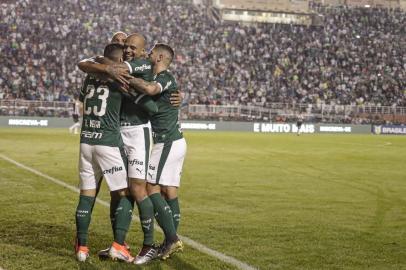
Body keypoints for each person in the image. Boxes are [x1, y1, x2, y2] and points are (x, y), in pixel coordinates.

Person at [78, 33, 182, 265]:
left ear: (144, 51)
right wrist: (108, 68)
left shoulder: (143, 64)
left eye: (132, 47)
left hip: (137, 133)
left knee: (139, 188)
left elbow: (153, 99)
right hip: (115, 133)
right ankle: (119, 243)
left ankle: (149, 245)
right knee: (120, 191)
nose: (128, 50)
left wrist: (129, 87)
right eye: (124, 46)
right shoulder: (117, 64)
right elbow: (89, 65)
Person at [74, 43, 134, 263]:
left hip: (86, 140)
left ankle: (82, 247)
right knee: (125, 193)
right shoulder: (120, 78)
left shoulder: (89, 76)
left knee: (86, 195)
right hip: (107, 142)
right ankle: (119, 245)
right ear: (118, 62)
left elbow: (82, 94)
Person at [126, 43, 186, 260]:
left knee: (151, 187)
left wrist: (127, 78)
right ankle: (169, 241)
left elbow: (151, 90)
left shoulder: (165, 78)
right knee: (168, 191)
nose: (149, 54)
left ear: (160, 57)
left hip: (167, 142)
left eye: (151, 52)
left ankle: (171, 238)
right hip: (172, 141)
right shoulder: (159, 78)